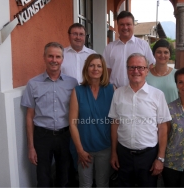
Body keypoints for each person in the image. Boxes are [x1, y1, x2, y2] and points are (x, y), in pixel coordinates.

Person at [108, 53, 171, 187]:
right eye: (132, 67)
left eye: (140, 67)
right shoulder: (118, 93)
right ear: (127, 70)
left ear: (147, 70)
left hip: (148, 157)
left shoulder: (157, 95)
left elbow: (163, 128)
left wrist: (160, 158)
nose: (136, 71)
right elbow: (114, 124)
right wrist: (114, 153)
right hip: (123, 155)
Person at [21, 42, 78, 187]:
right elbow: (29, 116)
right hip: (42, 136)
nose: (54, 60)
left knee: (64, 176)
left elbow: (76, 112)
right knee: (43, 177)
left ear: (62, 59)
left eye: (58, 56)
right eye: (50, 56)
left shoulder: (72, 83)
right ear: (44, 57)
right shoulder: (33, 84)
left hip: (65, 136)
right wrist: (31, 147)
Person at [69, 54, 115, 187]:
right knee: (85, 184)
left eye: (99, 66)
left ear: (104, 69)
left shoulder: (112, 90)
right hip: (84, 149)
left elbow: (115, 122)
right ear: (86, 68)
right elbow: (72, 123)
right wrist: (80, 151)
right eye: (92, 65)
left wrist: (114, 150)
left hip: (105, 148)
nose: (95, 69)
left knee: (102, 184)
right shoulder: (77, 91)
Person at [103, 11, 155, 88]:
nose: (125, 27)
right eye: (122, 24)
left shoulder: (143, 45)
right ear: (117, 26)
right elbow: (106, 72)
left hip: (138, 91)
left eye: (128, 24)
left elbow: (150, 67)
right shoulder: (110, 47)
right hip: (115, 91)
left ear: (133, 25)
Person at [146, 39, 178, 103]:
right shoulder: (146, 75)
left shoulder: (177, 74)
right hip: (152, 112)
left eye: (166, 52)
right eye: (159, 52)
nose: (162, 55)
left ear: (170, 55)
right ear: (153, 54)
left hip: (174, 112)